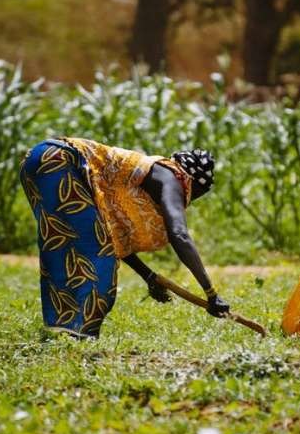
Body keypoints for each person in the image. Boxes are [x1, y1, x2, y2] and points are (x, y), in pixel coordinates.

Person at [19, 137, 230, 338]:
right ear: (194, 182)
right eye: (197, 194)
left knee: (66, 252)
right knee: (99, 261)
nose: (190, 200)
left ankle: (65, 331)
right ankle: (80, 335)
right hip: (59, 162)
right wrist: (211, 294)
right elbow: (179, 234)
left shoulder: (147, 176)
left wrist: (149, 276)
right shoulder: (173, 177)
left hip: (38, 159)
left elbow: (114, 237)